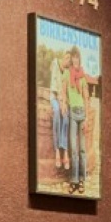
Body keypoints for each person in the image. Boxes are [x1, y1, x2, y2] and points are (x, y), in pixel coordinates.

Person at [64, 46, 92, 194]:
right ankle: (73, 180)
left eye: (77, 57)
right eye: (73, 57)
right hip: (72, 114)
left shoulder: (83, 77)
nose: (75, 59)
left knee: (82, 149)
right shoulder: (66, 74)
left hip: (82, 113)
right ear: (71, 59)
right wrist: (63, 103)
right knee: (73, 149)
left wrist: (86, 118)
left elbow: (86, 98)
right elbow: (63, 91)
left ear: (79, 59)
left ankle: (82, 180)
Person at [46, 48, 69, 176]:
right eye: (67, 58)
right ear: (63, 56)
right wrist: (60, 103)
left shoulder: (66, 71)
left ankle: (64, 150)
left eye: (69, 60)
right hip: (54, 97)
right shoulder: (55, 63)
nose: (68, 61)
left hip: (62, 99)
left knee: (65, 117)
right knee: (56, 115)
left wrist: (64, 103)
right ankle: (57, 151)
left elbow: (65, 90)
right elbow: (54, 87)